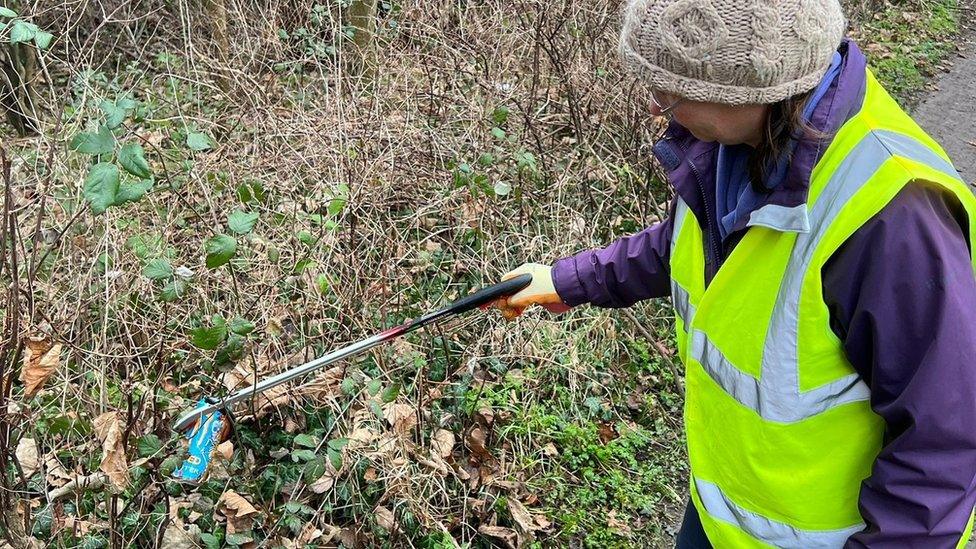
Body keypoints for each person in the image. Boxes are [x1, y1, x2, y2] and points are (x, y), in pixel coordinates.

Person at [489, 0, 976, 546]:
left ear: (748, 84)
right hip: (719, 516)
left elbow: (942, 446)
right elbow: (686, 246)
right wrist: (567, 281)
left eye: (672, 90)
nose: (658, 107)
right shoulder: (729, 147)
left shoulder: (895, 221)